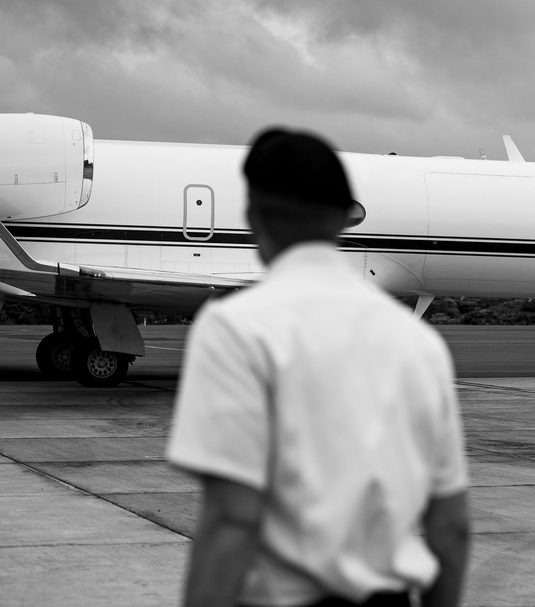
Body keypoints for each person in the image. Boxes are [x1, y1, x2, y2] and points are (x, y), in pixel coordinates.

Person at [167, 128, 470, 607]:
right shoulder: (418, 343)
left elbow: (231, 520)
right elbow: (450, 528)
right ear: (345, 219)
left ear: (252, 216)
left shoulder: (234, 328)